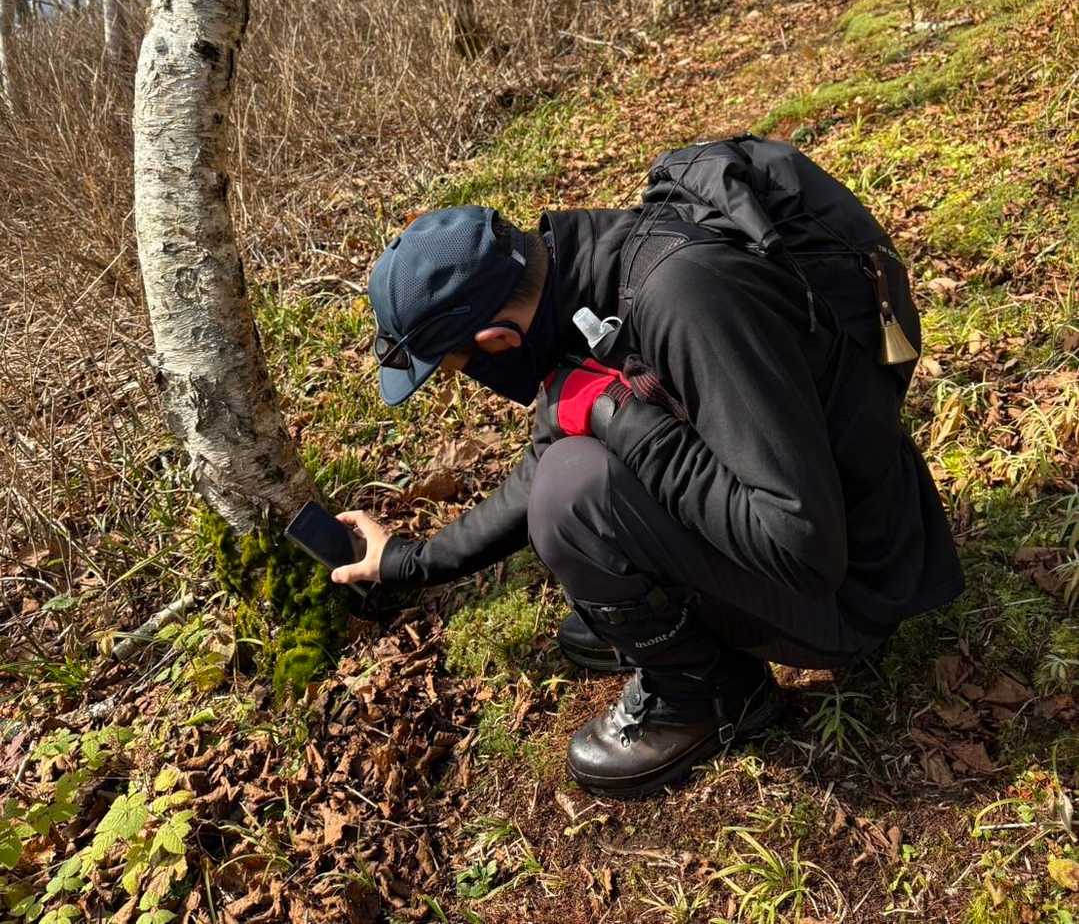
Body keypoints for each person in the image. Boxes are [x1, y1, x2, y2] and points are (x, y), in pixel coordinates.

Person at [331, 200, 963, 798]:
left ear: (497, 340)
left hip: (857, 586)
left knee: (571, 493)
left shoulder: (683, 298)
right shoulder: (584, 277)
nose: (471, 380)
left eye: (456, 368)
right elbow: (546, 451)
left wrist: (620, 416)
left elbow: (802, 547)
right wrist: (409, 562)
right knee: (569, 470)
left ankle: (709, 695)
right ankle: (666, 619)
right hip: (851, 524)